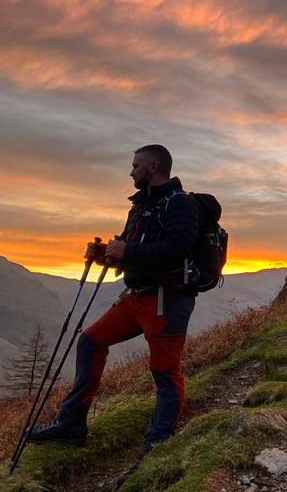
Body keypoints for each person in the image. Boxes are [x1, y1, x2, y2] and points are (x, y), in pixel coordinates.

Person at [27, 145, 200, 480]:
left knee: (165, 371)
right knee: (90, 342)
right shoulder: (141, 205)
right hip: (135, 297)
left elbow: (178, 250)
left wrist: (127, 249)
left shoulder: (182, 203)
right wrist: (105, 254)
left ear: (153, 167)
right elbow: (128, 256)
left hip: (167, 300)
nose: (131, 172)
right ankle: (72, 423)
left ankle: (156, 446)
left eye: (135, 166)